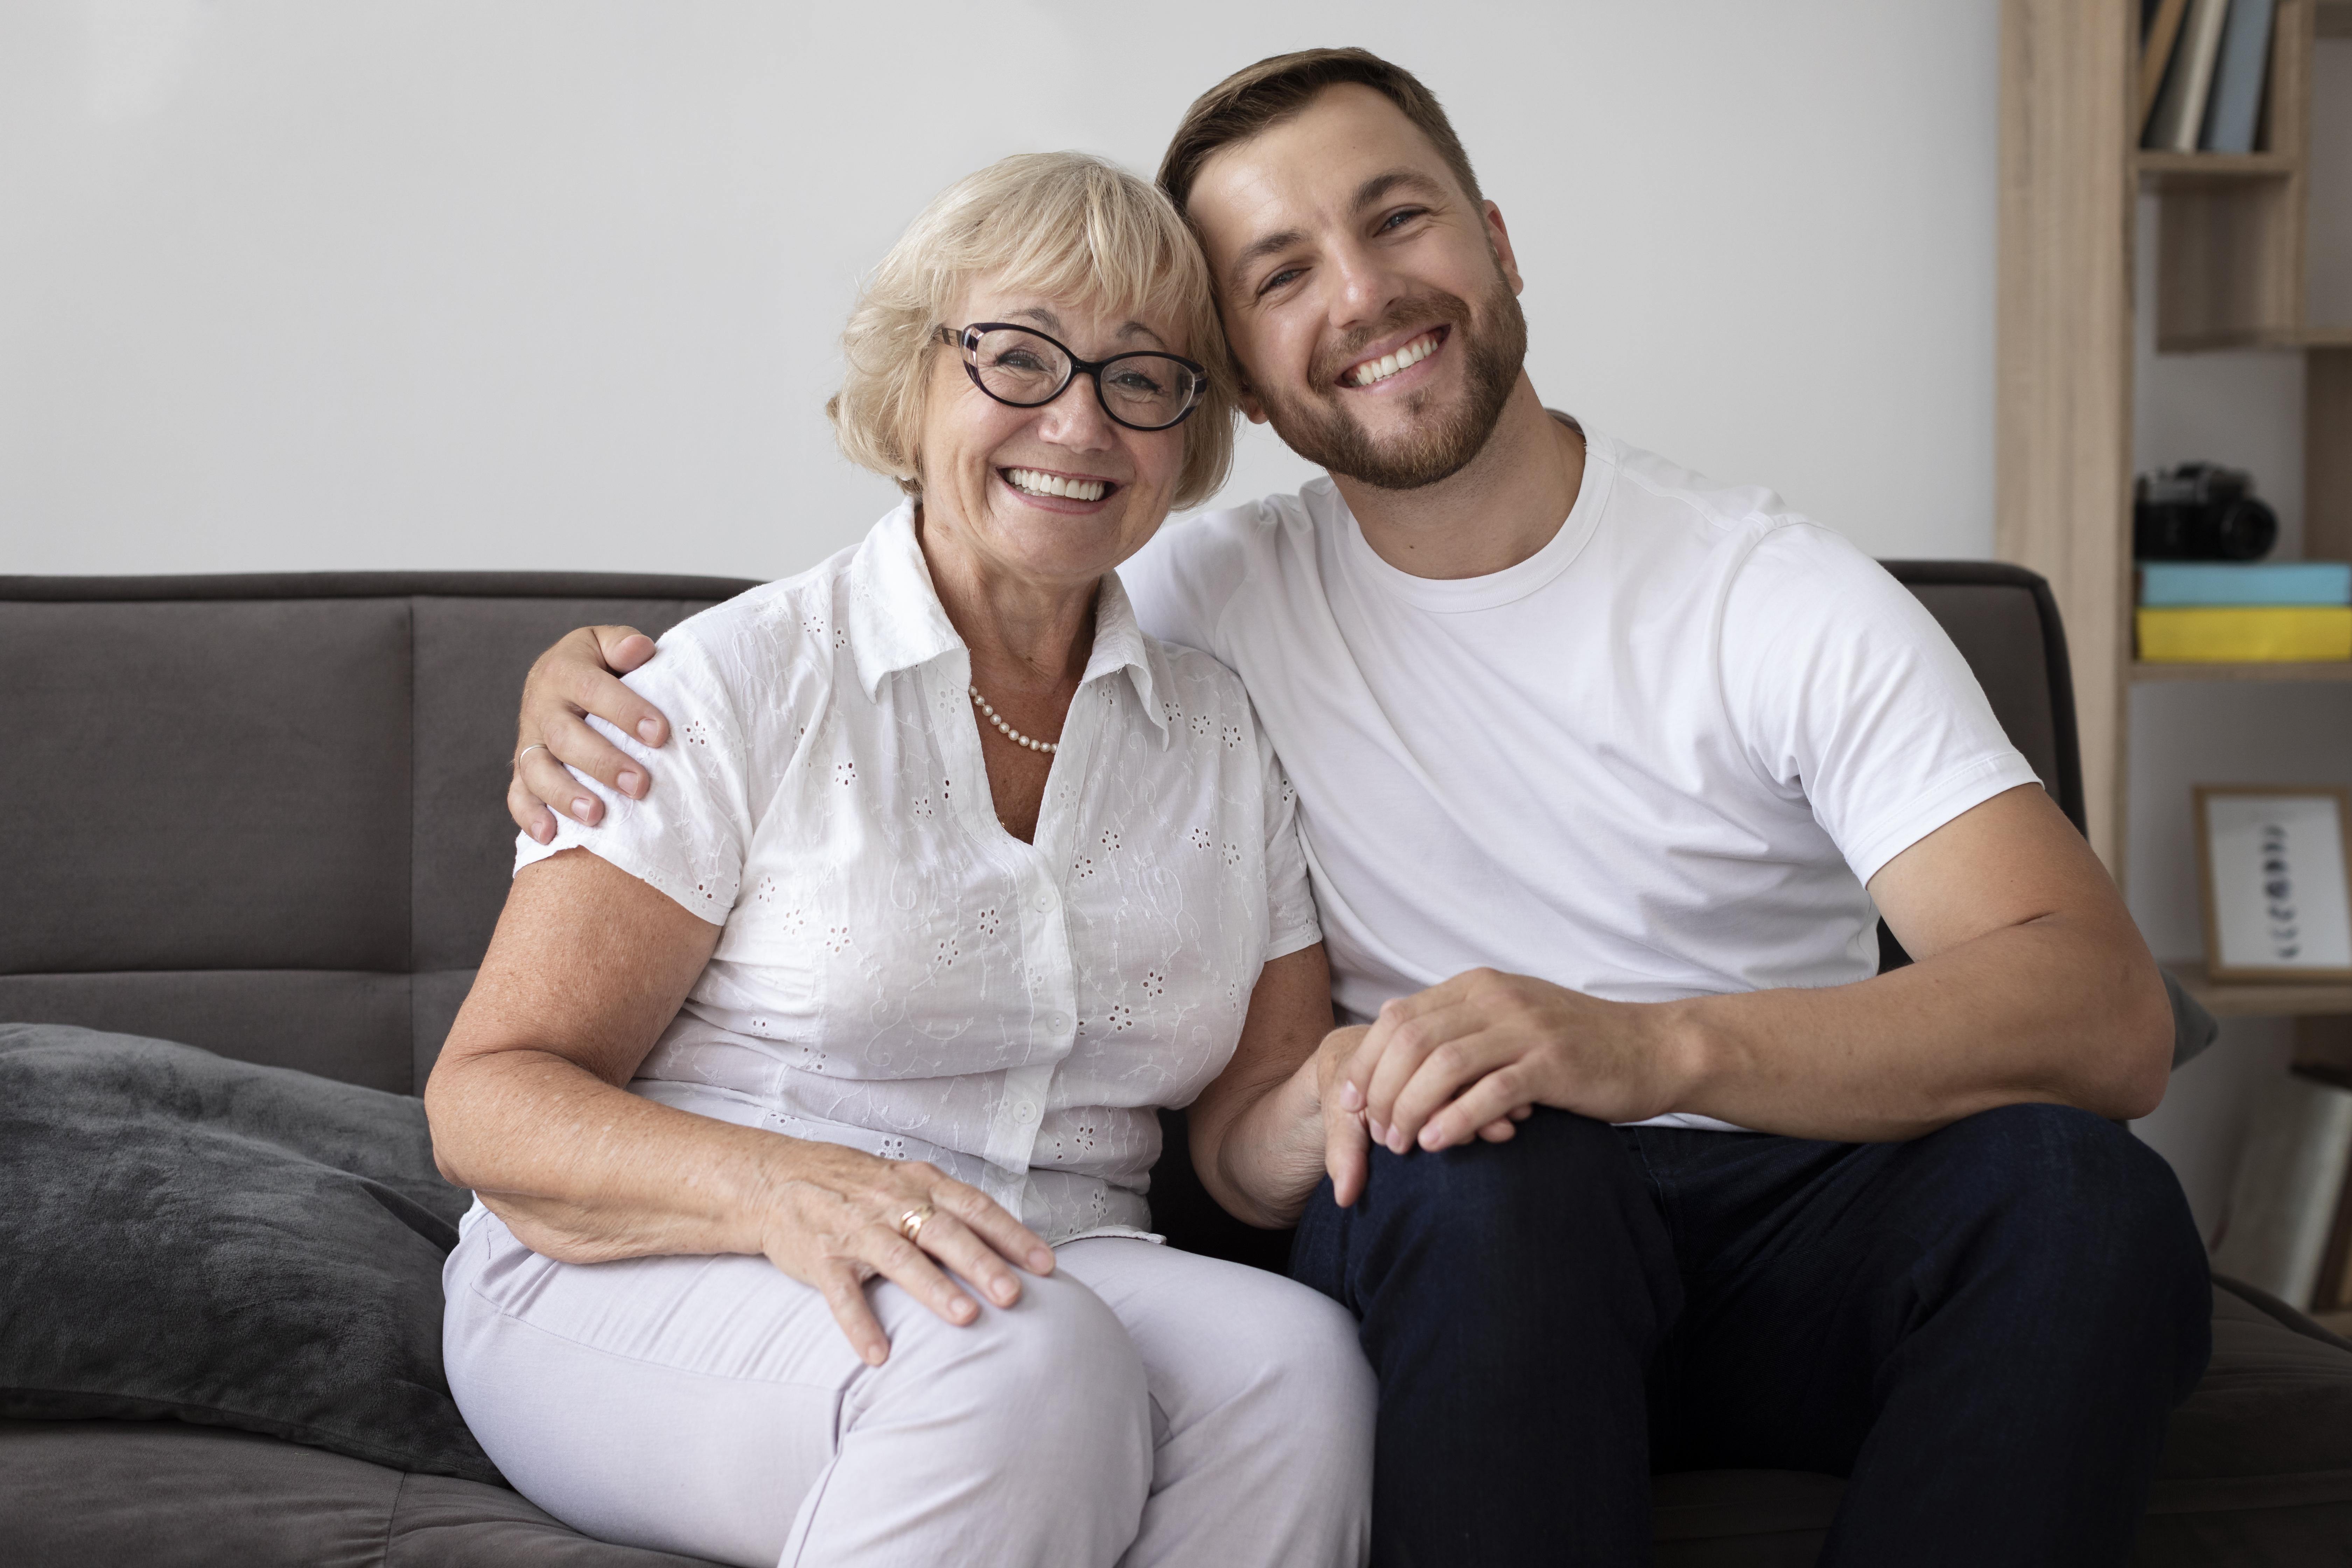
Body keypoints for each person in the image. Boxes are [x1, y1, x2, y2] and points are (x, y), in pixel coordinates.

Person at [506, 50, 2213, 1568]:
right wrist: (589, 680)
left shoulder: (1776, 598)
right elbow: (946, 575)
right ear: (1242, 376)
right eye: (1282, 272)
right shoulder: (1184, 598)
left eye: (1399, 221)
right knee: (1492, 1167)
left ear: (1495, 240)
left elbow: (2104, 1010)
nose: (1366, 294)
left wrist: (1650, 1047)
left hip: (1780, 1219)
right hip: (1465, 1243)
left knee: (2088, 1199)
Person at [425, 150, 1376, 1568]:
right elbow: (489, 1101)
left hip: (1052, 1255)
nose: (1082, 419)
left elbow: (1245, 1145)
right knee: (1018, 1356)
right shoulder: (733, 681)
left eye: (1142, 375)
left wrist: (1368, 1079)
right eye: (1019, 358)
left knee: (1292, 1364)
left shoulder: (1220, 734)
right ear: (914, 383)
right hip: (667, 1255)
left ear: (1188, 430)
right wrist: (778, 1187)